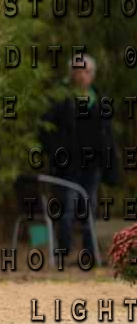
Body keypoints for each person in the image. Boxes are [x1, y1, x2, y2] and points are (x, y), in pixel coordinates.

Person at [38, 54, 118, 261]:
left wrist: (110, 165)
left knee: (90, 208)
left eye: (86, 71)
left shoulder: (99, 98)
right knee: (68, 209)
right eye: (78, 71)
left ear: (92, 75)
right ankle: (63, 253)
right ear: (71, 73)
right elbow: (45, 130)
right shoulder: (59, 98)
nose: (82, 75)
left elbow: (107, 135)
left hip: (92, 166)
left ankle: (90, 253)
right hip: (67, 166)